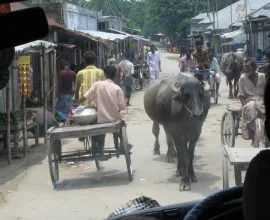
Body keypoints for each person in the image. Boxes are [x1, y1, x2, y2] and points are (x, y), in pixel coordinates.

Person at [75, 66, 127, 154]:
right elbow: (122, 107)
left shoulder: (97, 84)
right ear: (115, 76)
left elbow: (85, 97)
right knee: (122, 128)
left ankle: (99, 148)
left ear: (105, 75)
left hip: (100, 120)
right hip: (114, 120)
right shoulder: (117, 89)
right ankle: (123, 144)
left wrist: (76, 104)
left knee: (97, 133)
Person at [238, 58, 266, 142]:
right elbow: (241, 94)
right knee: (250, 107)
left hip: (261, 100)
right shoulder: (242, 78)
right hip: (249, 101)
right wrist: (244, 106)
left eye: (247, 66)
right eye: (244, 67)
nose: (245, 69)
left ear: (253, 67)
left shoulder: (262, 76)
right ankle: (252, 131)